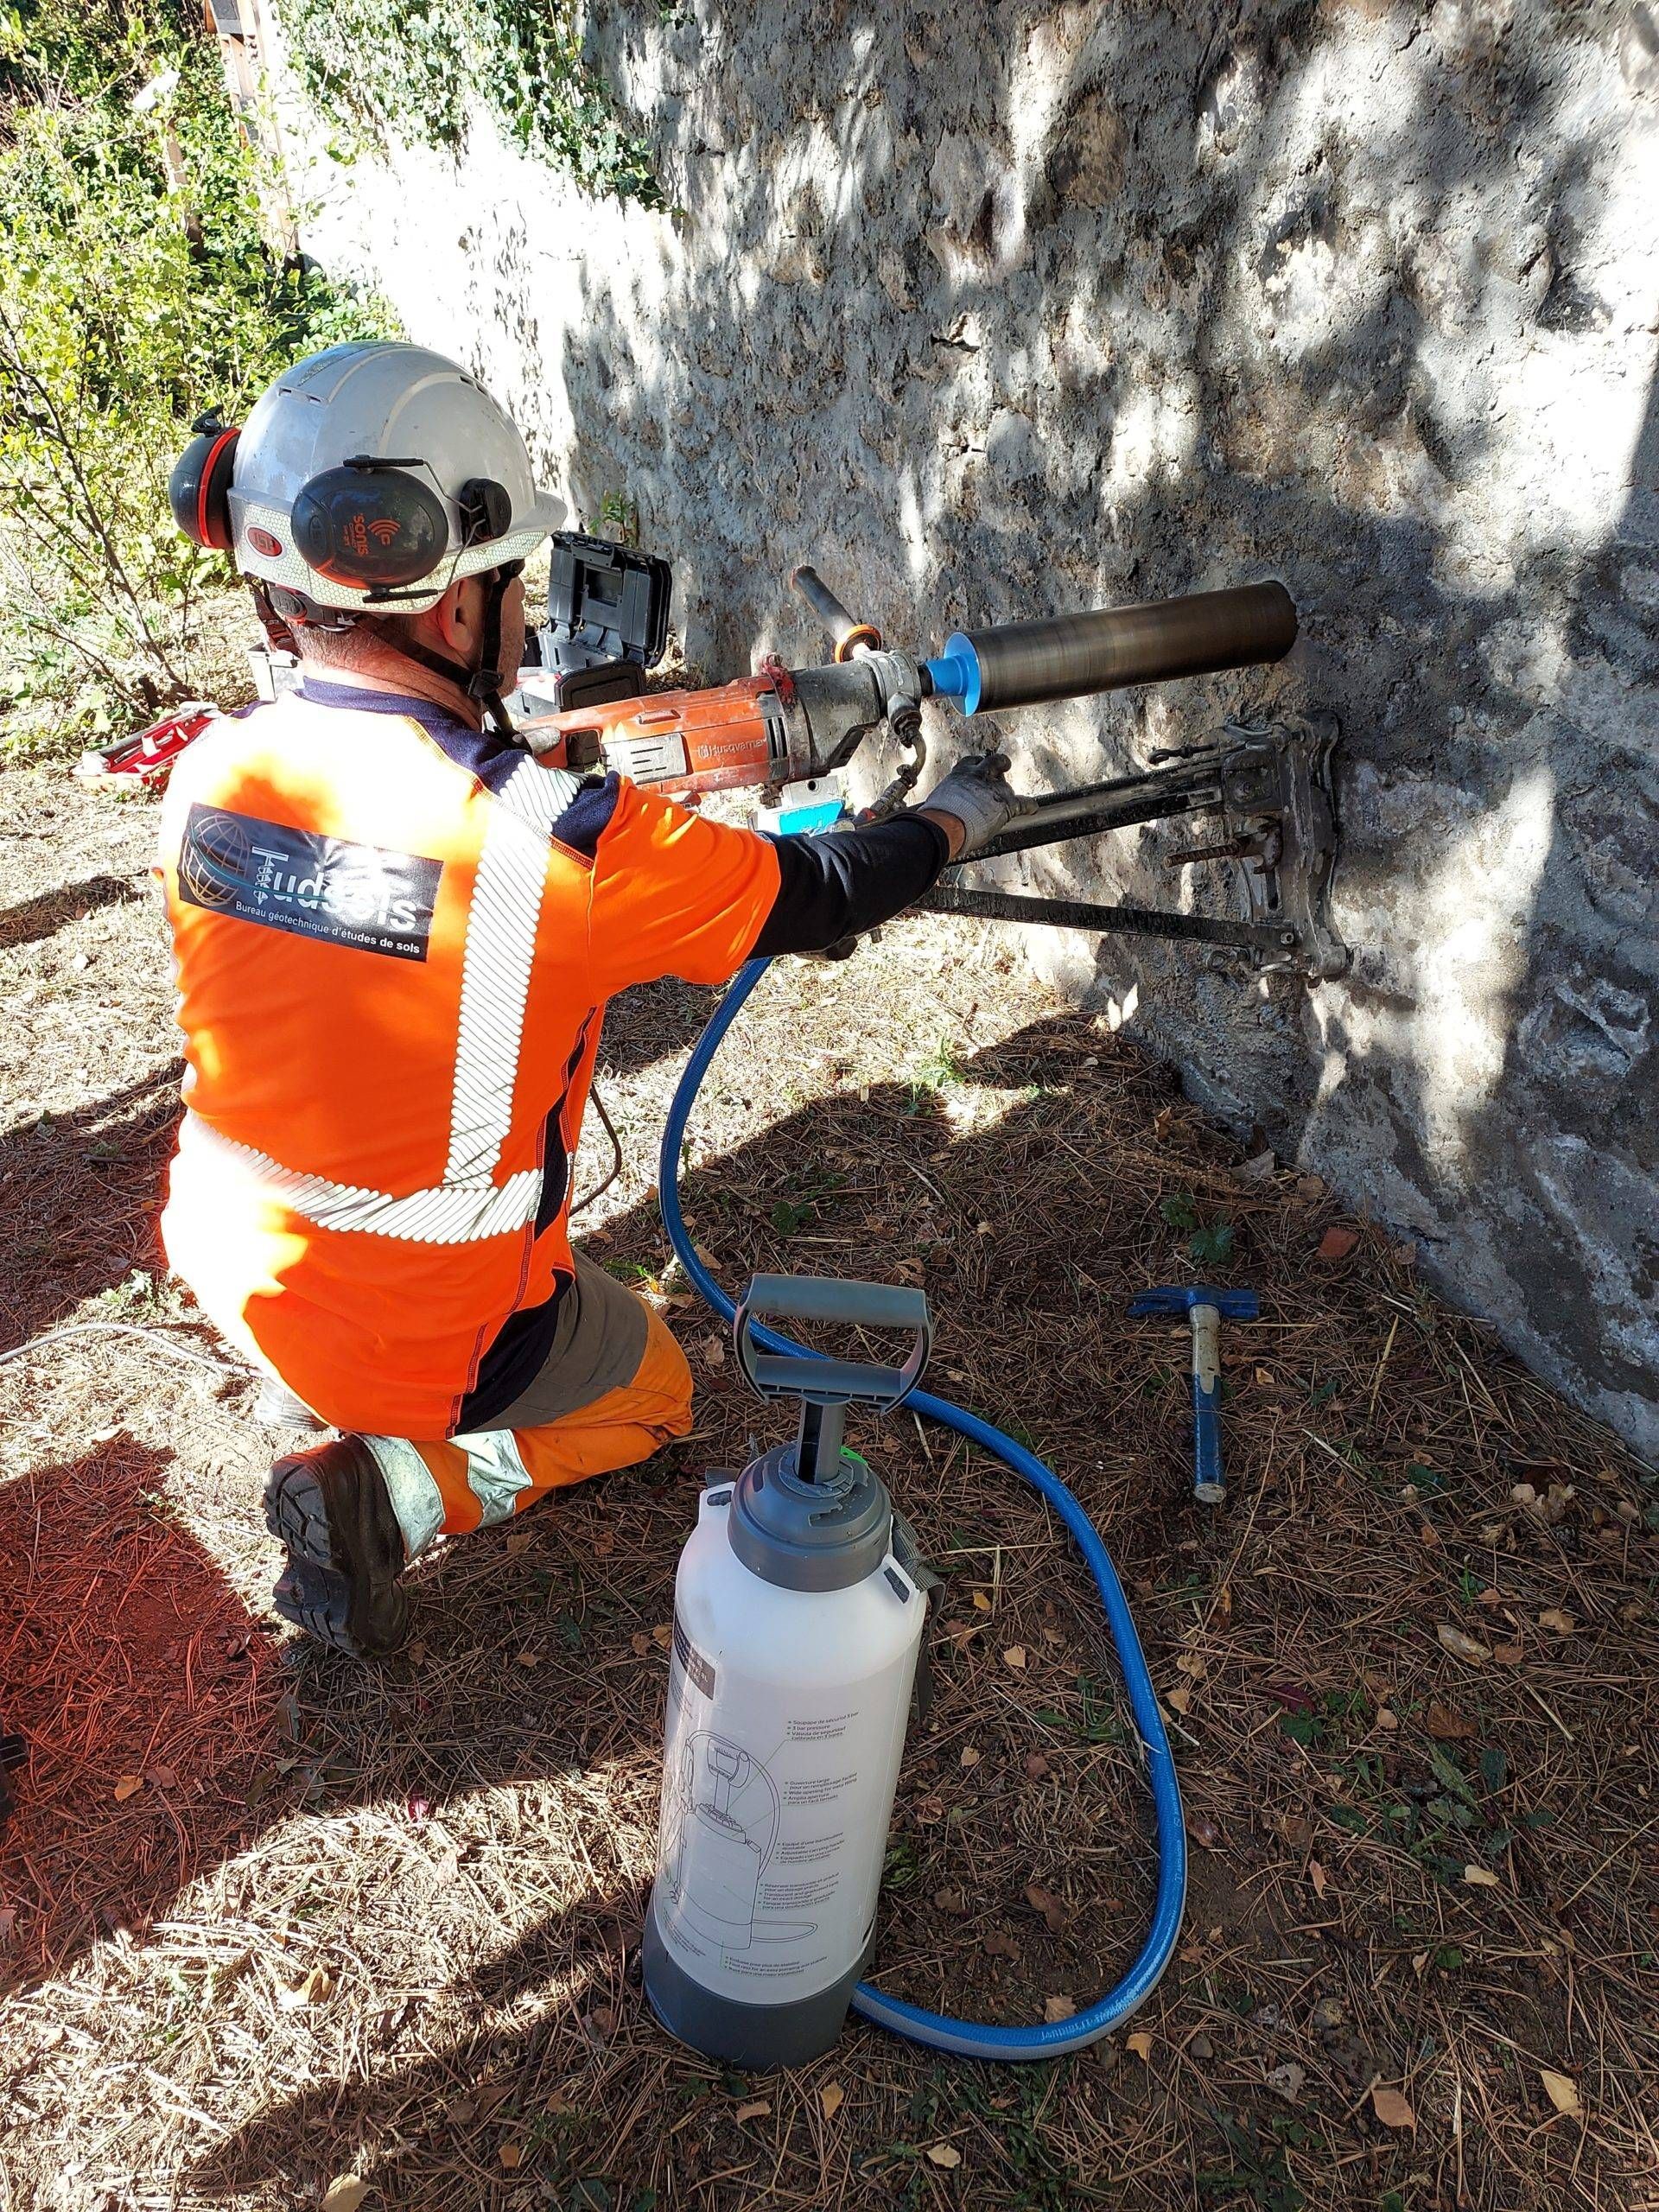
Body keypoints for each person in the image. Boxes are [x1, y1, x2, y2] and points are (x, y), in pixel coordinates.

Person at [156, 341, 1032, 1660]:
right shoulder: (553, 843)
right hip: (428, 1333)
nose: (527, 612)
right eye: (514, 582)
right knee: (656, 1391)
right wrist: (954, 818)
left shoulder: (211, 775)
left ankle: (315, 1390)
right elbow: (820, 891)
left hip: (234, 1265)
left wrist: (523, 758)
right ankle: (397, 1488)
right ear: (456, 615)